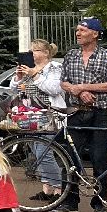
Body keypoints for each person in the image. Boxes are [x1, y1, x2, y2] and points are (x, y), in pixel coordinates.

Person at [57, 17, 107, 212]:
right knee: (71, 157)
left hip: (102, 113)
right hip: (76, 112)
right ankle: (69, 202)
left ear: (95, 34)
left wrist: (84, 87)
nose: (78, 33)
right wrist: (77, 92)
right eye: (77, 30)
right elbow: (64, 83)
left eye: (82, 30)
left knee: (99, 158)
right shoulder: (71, 56)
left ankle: (100, 203)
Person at [12, 39, 67, 201]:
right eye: (31, 50)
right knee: (37, 152)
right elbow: (14, 89)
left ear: (46, 53)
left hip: (49, 115)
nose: (32, 54)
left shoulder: (55, 68)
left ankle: (59, 189)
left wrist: (34, 75)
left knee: (45, 152)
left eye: (35, 50)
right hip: (30, 115)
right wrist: (18, 77)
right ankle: (47, 188)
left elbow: (54, 88)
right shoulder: (29, 69)